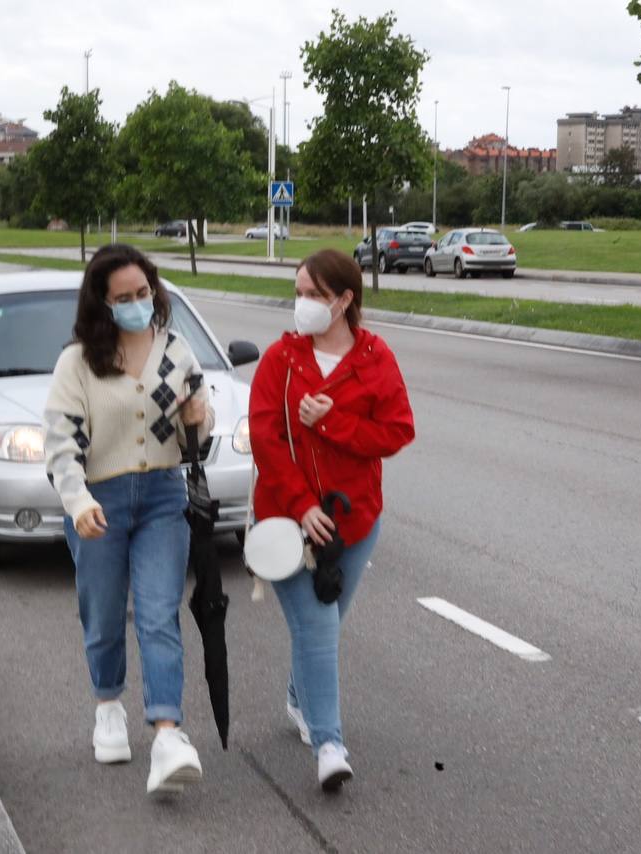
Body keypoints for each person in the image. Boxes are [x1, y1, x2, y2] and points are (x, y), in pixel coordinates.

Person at [44, 244, 214, 796]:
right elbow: (61, 446)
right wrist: (78, 502)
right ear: (102, 303)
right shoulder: (79, 363)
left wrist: (198, 419)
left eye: (144, 293)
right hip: (100, 501)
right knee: (104, 612)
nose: (138, 304)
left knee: (160, 611)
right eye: (124, 298)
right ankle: (108, 705)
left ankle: (167, 731)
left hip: (164, 497)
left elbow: (200, 434)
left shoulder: (177, 351)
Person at [248, 248, 415, 792]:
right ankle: (329, 744)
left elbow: (396, 432)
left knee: (326, 625)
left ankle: (300, 698)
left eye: (314, 296)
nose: (302, 305)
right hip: (287, 521)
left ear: (345, 300)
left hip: (355, 522)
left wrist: (334, 421)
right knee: (318, 627)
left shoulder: (375, 358)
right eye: (298, 292)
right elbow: (265, 437)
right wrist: (302, 505)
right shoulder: (281, 358)